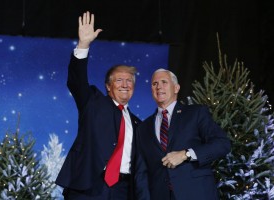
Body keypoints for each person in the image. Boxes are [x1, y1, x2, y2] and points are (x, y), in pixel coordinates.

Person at [55, 11, 141, 200]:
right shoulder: (93, 102)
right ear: (108, 86)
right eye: (119, 80)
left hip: (123, 191)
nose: (125, 84)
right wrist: (83, 45)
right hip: (88, 187)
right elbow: (76, 82)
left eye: (129, 81)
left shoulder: (138, 124)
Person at [134, 68, 231, 200]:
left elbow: (222, 144)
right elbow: (141, 172)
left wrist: (186, 154)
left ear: (176, 88)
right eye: (154, 84)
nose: (159, 87)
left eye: (164, 82)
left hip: (196, 193)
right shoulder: (143, 128)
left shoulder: (196, 113)